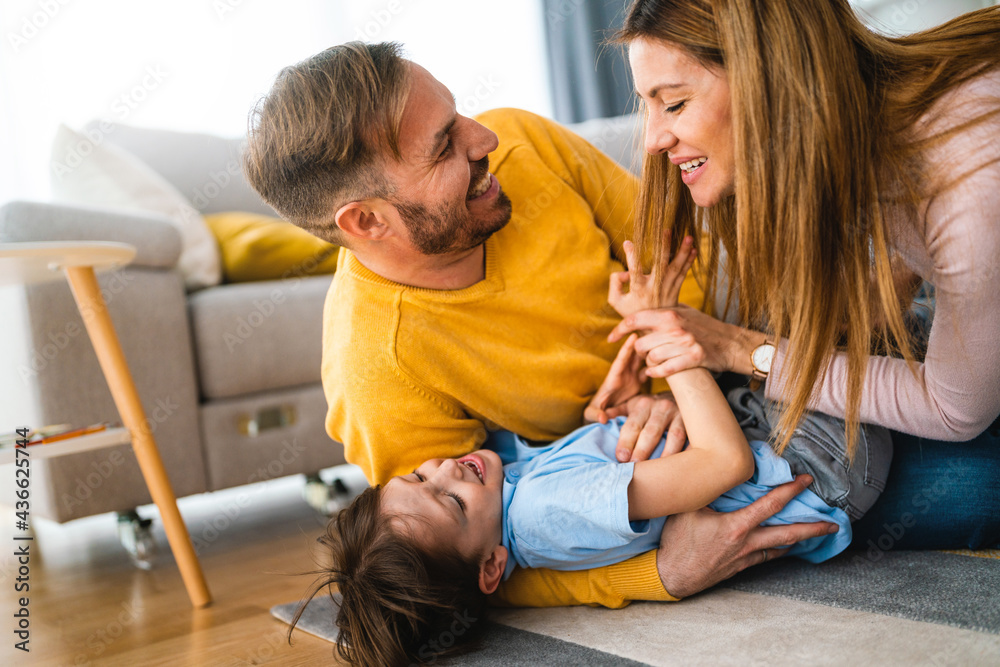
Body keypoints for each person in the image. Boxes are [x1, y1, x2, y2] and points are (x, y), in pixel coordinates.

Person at [242, 41, 840, 611]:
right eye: (444, 146)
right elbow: (457, 567)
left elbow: (677, 248)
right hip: (705, 460)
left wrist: (665, 377)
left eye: (460, 116)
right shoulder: (377, 367)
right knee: (868, 474)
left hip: (728, 351)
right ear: (367, 220)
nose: (487, 138)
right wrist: (659, 574)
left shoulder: (519, 145)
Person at [302, 247, 889, 666]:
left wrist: (621, 406)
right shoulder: (544, 512)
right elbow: (722, 463)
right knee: (843, 308)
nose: (446, 469)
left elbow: (594, 463)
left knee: (824, 311)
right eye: (452, 502)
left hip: (779, 439)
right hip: (818, 461)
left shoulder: (509, 490)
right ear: (491, 568)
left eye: (418, 474)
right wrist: (660, 333)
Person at [608, 0, 1000, 550]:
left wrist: (744, 350)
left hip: (958, 404)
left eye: (673, 103)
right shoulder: (898, 121)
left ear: (770, 77)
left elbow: (954, 409)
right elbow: (936, 243)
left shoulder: (971, 183)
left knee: (874, 487)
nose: (651, 140)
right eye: (648, 106)